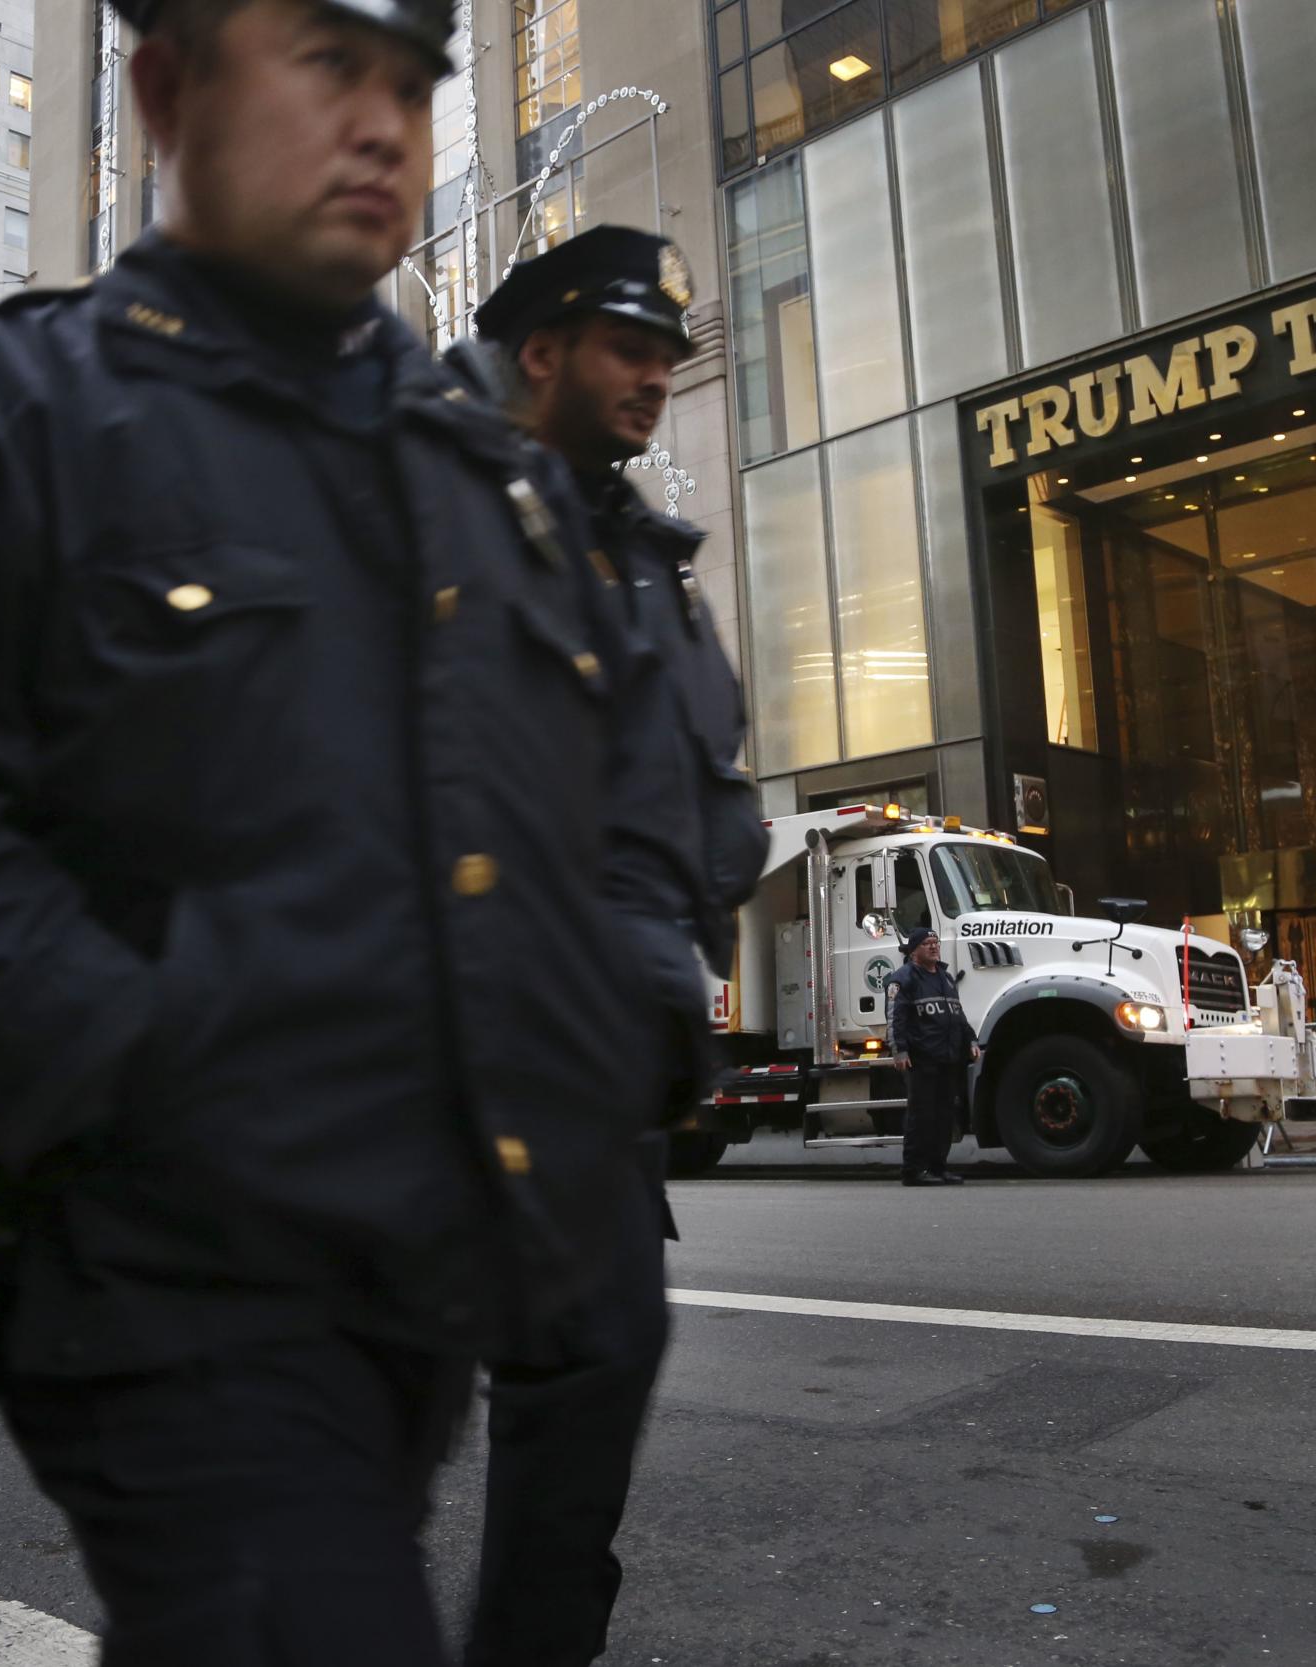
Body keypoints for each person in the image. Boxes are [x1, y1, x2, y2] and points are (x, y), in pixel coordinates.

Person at [0, 2, 678, 1661]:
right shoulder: (17, 412)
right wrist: (140, 1065)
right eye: (324, 63)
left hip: (428, 1271)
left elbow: (543, 833)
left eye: (408, 82)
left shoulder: (478, 478)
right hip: (168, 1280)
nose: (382, 122)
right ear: (168, 94)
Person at [461, 223, 767, 1667]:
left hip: (595, 1063)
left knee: (589, 1377)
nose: (655, 377)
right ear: (542, 352)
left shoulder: (649, 556)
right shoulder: (438, 503)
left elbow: (693, 794)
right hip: (442, 1042)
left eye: (665, 354)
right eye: (626, 349)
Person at [889, 926, 977, 1187]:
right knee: (921, 1115)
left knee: (944, 1116)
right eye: (927, 943)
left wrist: (970, 1039)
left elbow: (957, 1014)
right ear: (914, 950)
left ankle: (938, 1168)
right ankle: (913, 1170)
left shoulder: (946, 978)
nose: (934, 946)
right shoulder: (903, 979)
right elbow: (896, 1018)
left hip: (948, 1058)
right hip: (922, 1058)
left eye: (935, 942)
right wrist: (899, 1050)